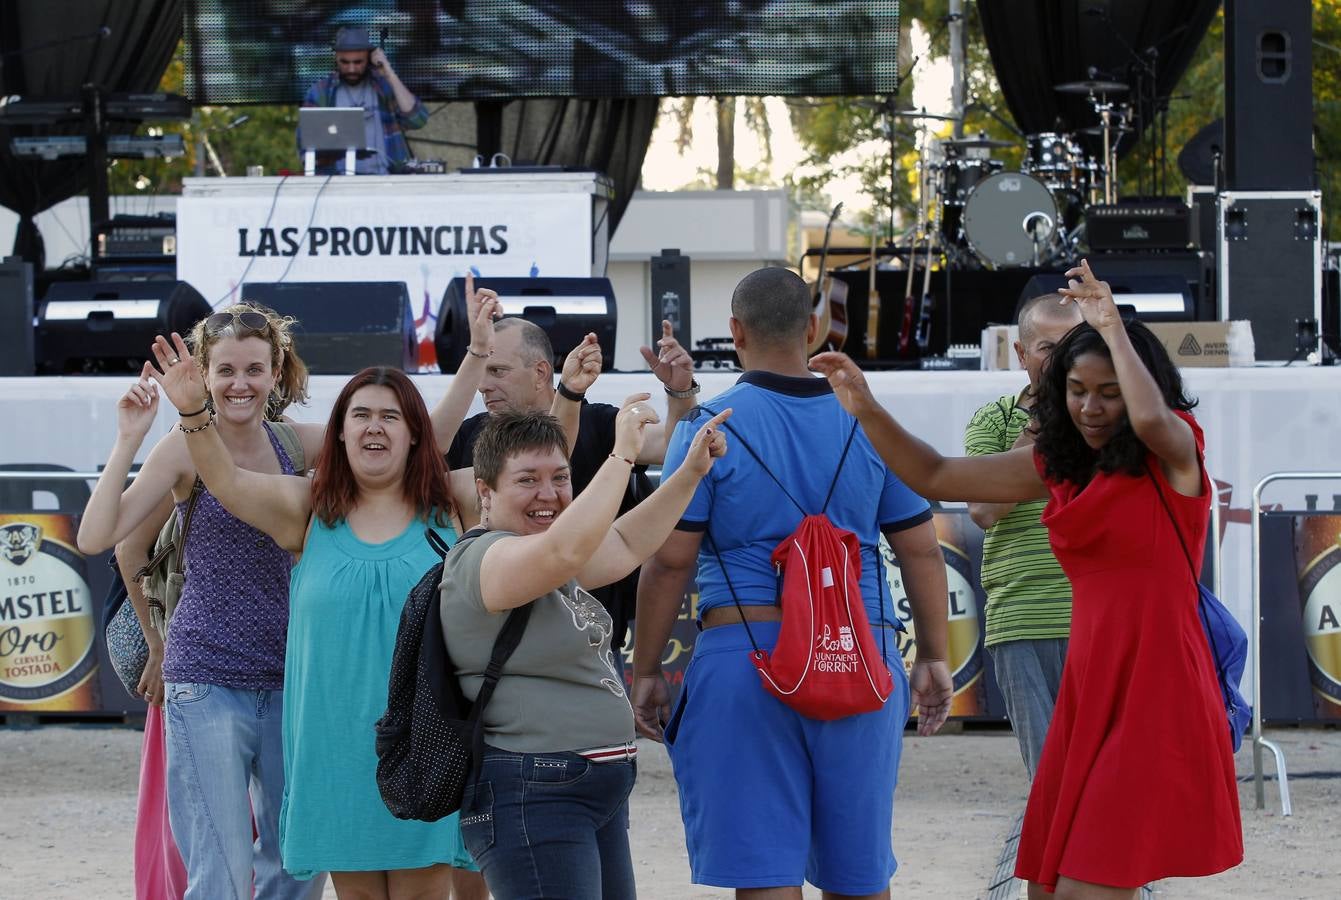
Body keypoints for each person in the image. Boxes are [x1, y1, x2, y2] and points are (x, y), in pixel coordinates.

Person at [810, 259, 1243, 900]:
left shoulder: (1177, 454)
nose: (1089, 406)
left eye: (1109, 391)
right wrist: (866, 407)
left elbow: (1152, 423)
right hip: (1090, 686)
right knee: (1047, 887)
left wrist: (1111, 326)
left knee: (1085, 885)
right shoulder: (1060, 465)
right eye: (1076, 389)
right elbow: (935, 475)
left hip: (1157, 686)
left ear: (1139, 382)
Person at [632, 266, 955, 899]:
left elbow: (669, 561)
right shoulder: (869, 422)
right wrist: (935, 658)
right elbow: (920, 550)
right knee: (859, 876)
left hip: (745, 657)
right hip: (860, 655)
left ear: (734, 332)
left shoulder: (709, 427)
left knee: (765, 878)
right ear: (813, 328)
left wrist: (646, 670)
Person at [146, 327, 492, 898]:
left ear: (413, 435)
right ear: (339, 433)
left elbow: (535, 482)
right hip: (333, 750)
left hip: (421, 742)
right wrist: (191, 412)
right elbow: (227, 481)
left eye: (390, 416)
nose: (374, 427)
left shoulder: (450, 503)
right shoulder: (308, 511)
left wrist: (563, 399)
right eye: (360, 415)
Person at [78, 305, 324, 900]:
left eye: (254, 369)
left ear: (276, 373)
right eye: (226, 370)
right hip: (206, 679)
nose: (240, 383)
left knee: (298, 864)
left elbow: (412, 443)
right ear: (204, 377)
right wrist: (128, 439)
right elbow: (96, 538)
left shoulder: (303, 442)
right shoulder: (182, 448)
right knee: (220, 868)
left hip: (294, 679)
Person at [441, 400, 730, 900]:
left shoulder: (546, 554)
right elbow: (568, 550)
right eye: (527, 479)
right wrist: (621, 456)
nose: (548, 494)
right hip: (534, 796)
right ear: (484, 493)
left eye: (559, 477)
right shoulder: (483, 557)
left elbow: (622, 542)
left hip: (591, 790)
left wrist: (689, 474)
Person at [443, 317, 699, 670]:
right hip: (496, 647)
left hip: (593, 645)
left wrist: (681, 394)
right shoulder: (469, 437)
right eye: (527, 480)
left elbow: (677, 450)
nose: (483, 386)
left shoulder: (599, 422)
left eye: (497, 371)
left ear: (540, 372)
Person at [964, 293, 1081, 779]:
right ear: (1020, 354)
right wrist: (1039, 426)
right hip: (1021, 619)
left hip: (1099, 616)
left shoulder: (1105, 418)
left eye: (1073, 345)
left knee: (1113, 773)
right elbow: (984, 510)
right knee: (1050, 779)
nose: (1059, 360)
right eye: (1047, 347)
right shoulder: (994, 420)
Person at [300, 25, 426, 174]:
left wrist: (389, 74)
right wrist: (331, 155)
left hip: (386, 180)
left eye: (358, 62)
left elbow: (417, 120)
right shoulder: (319, 92)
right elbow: (305, 149)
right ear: (336, 58)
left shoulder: (385, 87)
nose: (351, 69)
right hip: (337, 183)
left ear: (369, 58)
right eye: (345, 62)